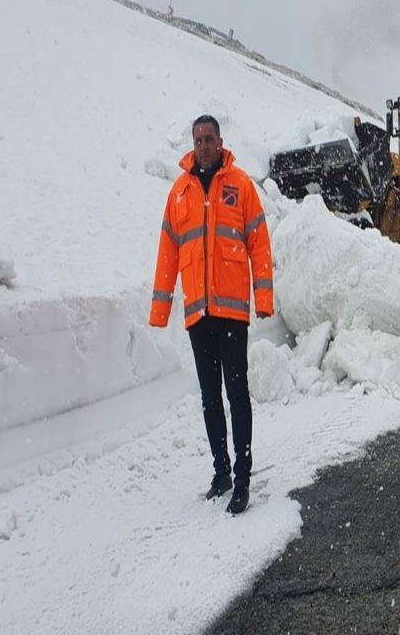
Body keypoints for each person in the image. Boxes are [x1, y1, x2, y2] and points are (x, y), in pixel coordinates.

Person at [149, 114, 274, 515]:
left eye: (210, 139)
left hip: (232, 311)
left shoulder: (241, 187)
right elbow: (168, 252)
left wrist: (263, 298)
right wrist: (160, 306)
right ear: (192, 144)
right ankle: (220, 471)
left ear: (221, 142)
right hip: (197, 314)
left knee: (237, 394)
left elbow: (259, 245)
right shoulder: (180, 193)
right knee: (209, 398)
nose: (204, 145)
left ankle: (242, 477)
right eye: (198, 139)